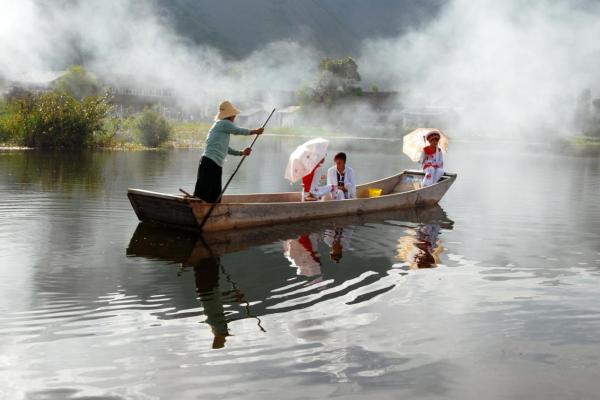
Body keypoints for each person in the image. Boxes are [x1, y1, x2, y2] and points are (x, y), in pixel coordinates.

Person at [193, 100, 264, 202]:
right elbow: (238, 131)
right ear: (229, 115)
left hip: (214, 164)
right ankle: (200, 212)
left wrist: (241, 153)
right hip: (209, 163)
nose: (234, 117)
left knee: (215, 196)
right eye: (233, 115)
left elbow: (226, 148)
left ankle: (210, 214)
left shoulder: (221, 127)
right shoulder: (223, 123)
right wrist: (255, 131)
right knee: (203, 195)